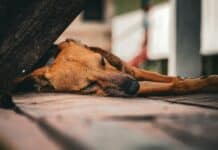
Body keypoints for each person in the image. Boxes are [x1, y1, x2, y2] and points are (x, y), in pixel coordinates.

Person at [128, 0, 150, 67]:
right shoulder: (145, 16)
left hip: (145, 38)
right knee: (142, 54)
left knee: (142, 54)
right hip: (145, 37)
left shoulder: (145, 16)